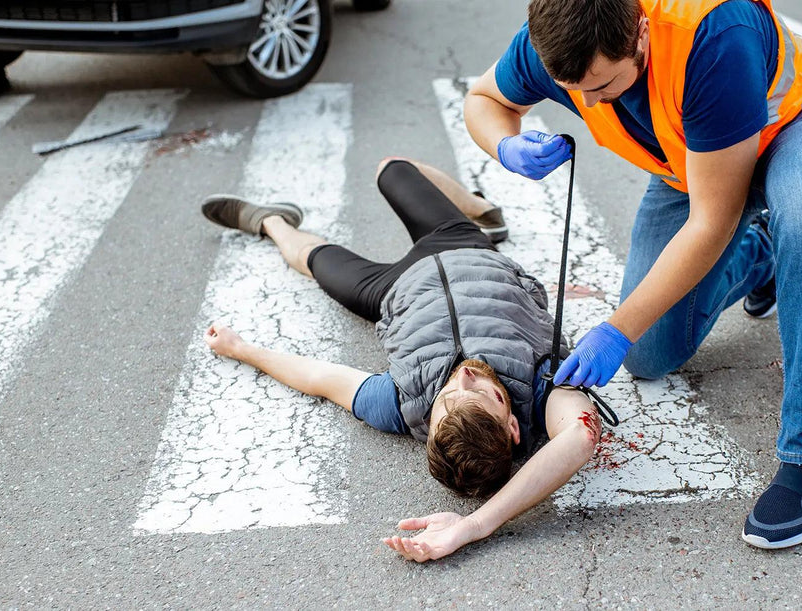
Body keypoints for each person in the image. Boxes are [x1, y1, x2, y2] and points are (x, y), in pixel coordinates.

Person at [464, 0, 802, 549]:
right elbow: (484, 99)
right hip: (694, 163)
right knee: (649, 353)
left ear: (642, 34)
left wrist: (614, 327)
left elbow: (711, 221)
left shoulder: (711, 34)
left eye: (603, 86)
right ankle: (765, 255)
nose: (587, 101)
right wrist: (505, 145)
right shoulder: (558, 36)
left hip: (796, 126)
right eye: (571, 88)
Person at [199, 158, 602, 562]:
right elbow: (581, 436)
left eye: (447, 400)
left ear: (430, 425)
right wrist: (478, 523)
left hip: (393, 291)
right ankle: (481, 210)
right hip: (467, 249)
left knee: (313, 260)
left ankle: (269, 220)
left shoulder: (400, 404)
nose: (464, 379)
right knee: (391, 167)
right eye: (481, 394)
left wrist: (242, 350)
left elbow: (319, 377)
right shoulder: (541, 387)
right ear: (513, 425)